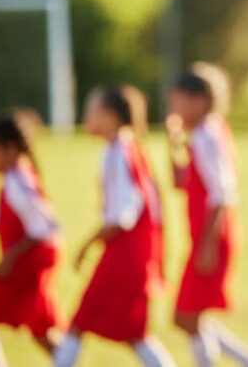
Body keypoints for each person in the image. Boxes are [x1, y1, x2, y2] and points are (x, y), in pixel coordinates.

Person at [53, 85, 173, 367]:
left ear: (110, 116)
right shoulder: (131, 148)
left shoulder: (118, 153)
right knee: (133, 334)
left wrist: (86, 244)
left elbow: (123, 216)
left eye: (92, 110)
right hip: (136, 256)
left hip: (124, 256)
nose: (87, 117)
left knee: (80, 323)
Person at [166, 62, 248, 367]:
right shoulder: (201, 134)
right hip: (206, 235)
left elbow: (223, 192)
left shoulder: (207, 135)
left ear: (200, 101)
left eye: (178, 102)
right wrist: (173, 146)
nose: (174, 109)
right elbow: (180, 181)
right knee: (190, 316)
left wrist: (208, 244)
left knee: (185, 316)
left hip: (213, 236)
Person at [0, 112, 62, 366]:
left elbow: (43, 227)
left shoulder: (18, 182)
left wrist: (8, 259)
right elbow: (0, 214)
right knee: (40, 330)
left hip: (28, 264)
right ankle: (68, 360)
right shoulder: (18, 178)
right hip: (34, 261)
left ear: (10, 149)